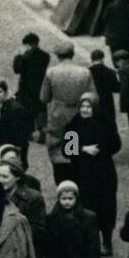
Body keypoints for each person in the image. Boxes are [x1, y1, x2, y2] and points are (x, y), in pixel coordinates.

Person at [64, 91, 121, 256]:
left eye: (88, 106)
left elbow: (116, 145)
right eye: (82, 106)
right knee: (85, 206)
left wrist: (100, 149)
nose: (85, 109)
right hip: (82, 172)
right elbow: (67, 149)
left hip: (104, 172)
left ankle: (107, 241)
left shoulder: (105, 123)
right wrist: (83, 149)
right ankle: (87, 241)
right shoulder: (74, 124)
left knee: (106, 207)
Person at [41, 42, 93, 185]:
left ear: (58, 56)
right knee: (77, 147)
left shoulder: (51, 72)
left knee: (58, 149)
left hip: (58, 115)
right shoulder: (85, 72)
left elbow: (44, 97)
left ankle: (63, 181)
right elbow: (93, 96)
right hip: (78, 113)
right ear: (73, 54)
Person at [12, 32, 51, 133]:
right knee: (40, 110)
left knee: (26, 111)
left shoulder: (25, 56)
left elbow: (17, 69)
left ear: (28, 44)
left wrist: (19, 55)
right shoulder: (45, 56)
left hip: (26, 89)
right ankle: (42, 130)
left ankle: (29, 132)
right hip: (40, 87)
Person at [88, 48, 120, 128]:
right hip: (107, 103)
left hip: (92, 102)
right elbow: (116, 89)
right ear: (102, 58)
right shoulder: (110, 72)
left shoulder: (87, 72)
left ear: (92, 59)